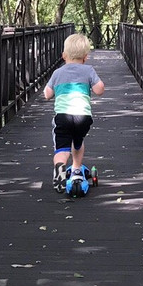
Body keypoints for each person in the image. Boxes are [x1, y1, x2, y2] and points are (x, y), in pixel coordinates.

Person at [43, 32, 105, 192]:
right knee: (78, 141)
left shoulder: (57, 73)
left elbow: (47, 94)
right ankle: (77, 169)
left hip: (63, 117)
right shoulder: (88, 70)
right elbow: (99, 90)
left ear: (64, 55)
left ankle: (60, 169)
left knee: (62, 148)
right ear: (85, 57)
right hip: (83, 117)